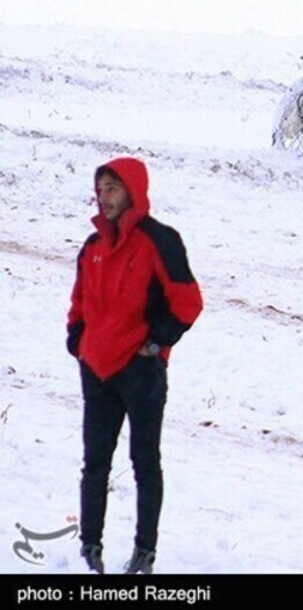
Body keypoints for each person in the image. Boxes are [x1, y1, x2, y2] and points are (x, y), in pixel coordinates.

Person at [67, 157, 203, 575]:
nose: (104, 197)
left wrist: (156, 341)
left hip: (141, 370)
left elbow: (188, 301)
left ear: (133, 191)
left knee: (145, 460)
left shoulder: (159, 240)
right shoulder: (92, 247)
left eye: (112, 188)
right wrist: (78, 342)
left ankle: (144, 552)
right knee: (95, 463)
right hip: (97, 368)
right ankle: (90, 549)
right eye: (101, 188)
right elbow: (78, 304)